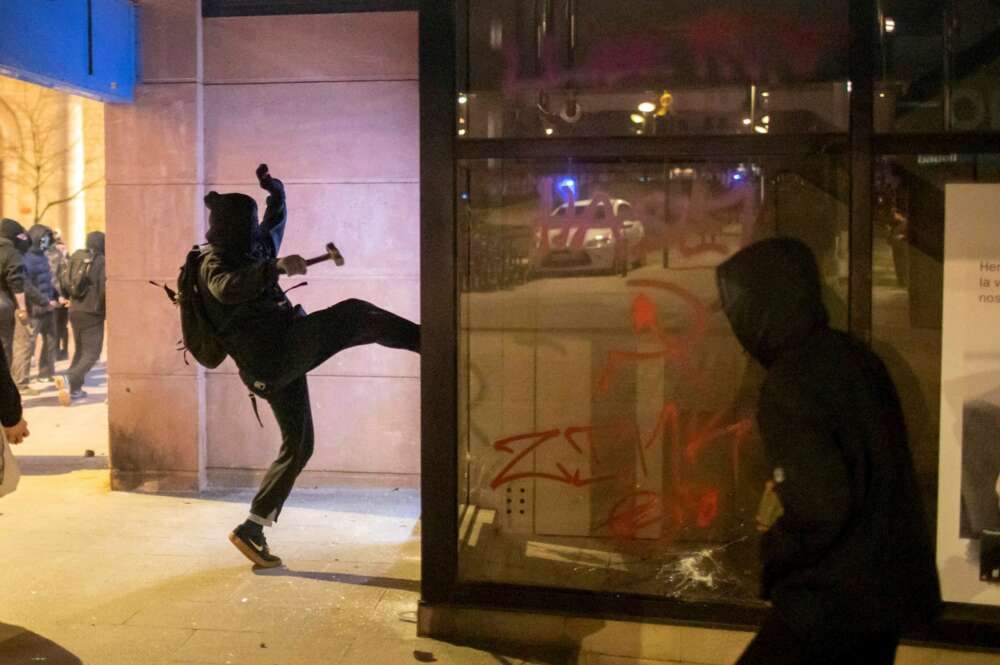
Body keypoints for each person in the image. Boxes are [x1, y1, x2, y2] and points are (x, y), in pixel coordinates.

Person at [715, 237, 940, 665]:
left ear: (766, 305)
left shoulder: (791, 382)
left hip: (831, 600)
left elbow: (820, 507)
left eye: (739, 306)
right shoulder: (854, 358)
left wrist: (775, 545)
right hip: (883, 594)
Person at [199, 164, 419, 568]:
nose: (255, 232)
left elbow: (274, 224)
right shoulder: (213, 261)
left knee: (299, 445)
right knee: (355, 314)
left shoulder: (253, 245)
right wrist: (276, 269)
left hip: (278, 357)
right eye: (246, 225)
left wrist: (275, 191)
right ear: (229, 227)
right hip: (272, 356)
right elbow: (226, 289)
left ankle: (253, 527)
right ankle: (431, 342)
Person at [54, 232, 106, 406]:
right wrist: (105, 309)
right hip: (92, 312)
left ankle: (75, 390)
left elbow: (63, 280)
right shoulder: (100, 261)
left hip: (74, 310)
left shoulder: (76, 257)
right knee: (92, 354)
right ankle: (68, 378)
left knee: (80, 351)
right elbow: (102, 289)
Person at [11, 224, 59, 392]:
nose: (47, 242)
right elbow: (26, 285)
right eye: (44, 238)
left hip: (48, 308)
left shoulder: (44, 256)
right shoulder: (25, 258)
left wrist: (56, 295)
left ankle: (46, 372)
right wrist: (44, 301)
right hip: (33, 310)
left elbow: (47, 281)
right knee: (25, 346)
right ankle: (20, 381)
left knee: (51, 341)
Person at [0, 220, 30, 370]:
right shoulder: (11, 252)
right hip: (3, 304)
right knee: (5, 347)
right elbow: (16, 282)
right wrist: (23, 309)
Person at [44, 231, 71, 363]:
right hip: (61, 294)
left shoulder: (47, 254)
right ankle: (62, 352)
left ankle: (56, 353)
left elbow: (54, 279)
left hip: (53, 295)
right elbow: (63, 277)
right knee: (61, 325)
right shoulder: (59, 255)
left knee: (55, 326)